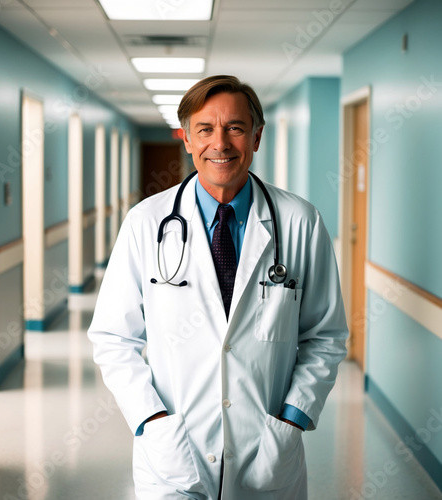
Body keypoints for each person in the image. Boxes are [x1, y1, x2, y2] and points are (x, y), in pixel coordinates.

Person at [88, 75, 348, 500]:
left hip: (267, 450)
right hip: (173, 452)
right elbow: (113, 337)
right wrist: (151, 421)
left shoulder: (300, 222)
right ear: (187, 139)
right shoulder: (145, 222)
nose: (220, 143)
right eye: (205, 129)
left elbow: (326, 336)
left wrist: (292, 418)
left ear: (257, 137)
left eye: (236, 128)